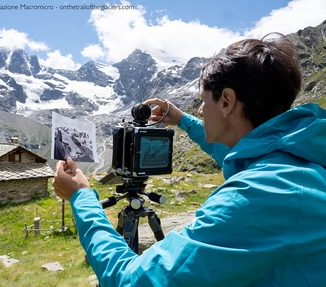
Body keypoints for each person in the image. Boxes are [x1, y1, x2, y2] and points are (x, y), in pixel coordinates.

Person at [52, 33, 326, 286]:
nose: (201, 109)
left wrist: (81, 198)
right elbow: (242, 155)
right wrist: (182, 120)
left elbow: (134, 281)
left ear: (227, 101)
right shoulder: (298, 158)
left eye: (204, 101)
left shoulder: (260, 193)